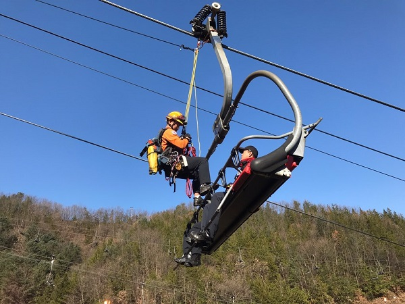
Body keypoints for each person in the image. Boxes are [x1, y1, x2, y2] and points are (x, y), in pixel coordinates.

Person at [175, 145, 258, 267]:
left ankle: (208, 232)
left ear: (250, 153)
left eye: (243, 152)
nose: (241, 155)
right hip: (236, 192)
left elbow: (246, 182)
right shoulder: (244, 167)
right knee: (196, 225)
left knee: (217, 196)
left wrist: (231, 187)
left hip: (239, 195)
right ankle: (193, 256)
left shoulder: (252, 165)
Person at [160, 111, 212, 206]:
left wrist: (182, 139)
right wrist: (186, 138)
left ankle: (197, 197)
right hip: (175, 163)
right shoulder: (168, 132)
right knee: (203, 161)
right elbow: (181, 144)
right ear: (171, 121)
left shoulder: (169, 134)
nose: (178, 127)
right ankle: (205, 185)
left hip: (172, 167)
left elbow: (177, 144)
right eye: (178, 125)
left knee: (197, 173)